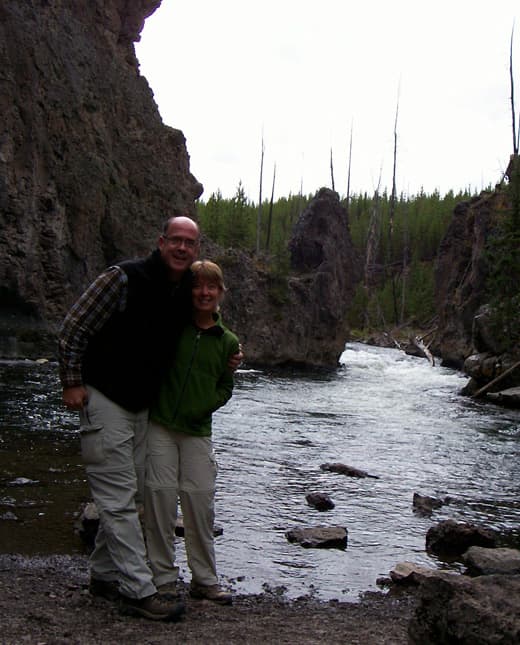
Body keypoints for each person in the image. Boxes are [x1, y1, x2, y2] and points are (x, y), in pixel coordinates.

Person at [58, 216, 241, 621]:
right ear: (160, 242)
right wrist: (72, 382)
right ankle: (139, 591)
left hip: (142, 407)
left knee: (137, 497)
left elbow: (205, 321)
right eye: (175, 240)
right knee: (119, 498)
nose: (181, 247)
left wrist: (229, 351)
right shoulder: (122, 278)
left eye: (189, 243)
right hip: (105, 397)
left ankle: (105, 576)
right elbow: (73, 328)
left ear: (195, 250)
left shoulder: (180, 291)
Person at [144, 260, 238, 606]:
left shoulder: (228, 342)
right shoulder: (173, 327)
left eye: (211, 287)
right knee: (160, 501)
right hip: (160, 426)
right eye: (197, 285)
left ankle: (205, 580)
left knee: (200, 505)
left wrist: (203, 405)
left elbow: (226, 388)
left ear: (220, 293)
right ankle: (163, 579)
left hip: (198, 431)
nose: (204, 292)